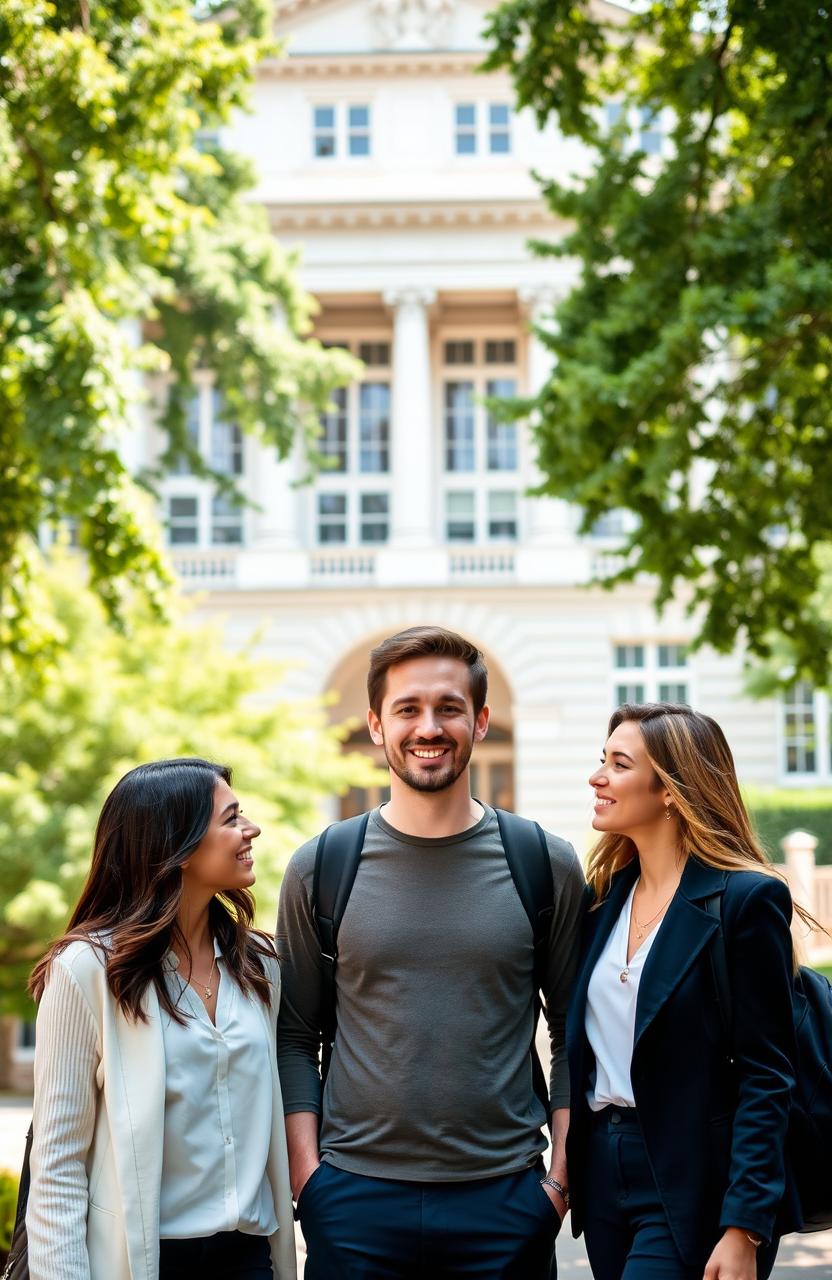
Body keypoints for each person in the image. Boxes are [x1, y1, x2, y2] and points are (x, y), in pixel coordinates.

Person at [276, 625, 586, 1279]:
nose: (429, 727)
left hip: (505, 1200)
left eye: (448, 707)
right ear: (374, 723)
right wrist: (309, 1180)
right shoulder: (323, 866)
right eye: (408, 709)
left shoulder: (544, 863)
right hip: (352, 1201)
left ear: (480, 719)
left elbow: (572, 1032)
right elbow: (297, 1035)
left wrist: (557, 1182)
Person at [26, 758, 296, 1280]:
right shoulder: (87, 969)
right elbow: (58, 1166)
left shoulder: (261, 965)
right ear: (178, 847)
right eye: (231, 818)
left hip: (249, 1258)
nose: (251, 830)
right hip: (142, 1261)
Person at [565, 703, 805, 1280]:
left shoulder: (744, 902)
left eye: (619, 764)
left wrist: (744, 1224)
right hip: (603, 1174)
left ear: (670, 789)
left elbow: (767, 1074)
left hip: (693, 1179)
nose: (598, 777)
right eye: (603, 760)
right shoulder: (602, 900)